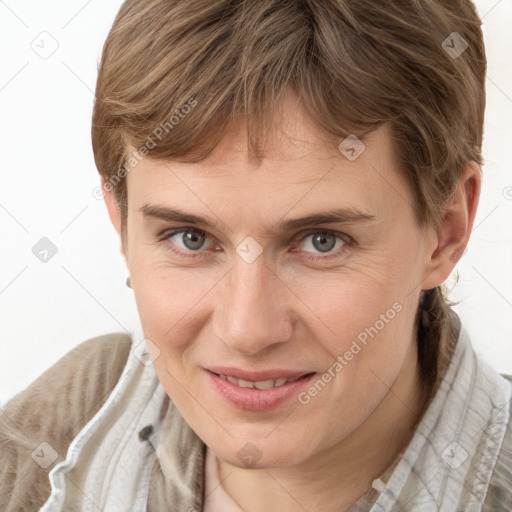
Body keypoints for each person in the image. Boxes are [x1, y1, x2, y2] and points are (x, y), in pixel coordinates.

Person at [1, 0, 510, 510]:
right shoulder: (54, 436)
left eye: (321, 241)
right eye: (190, 238)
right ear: (122, 223)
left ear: (446, 232)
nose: (246, 331)